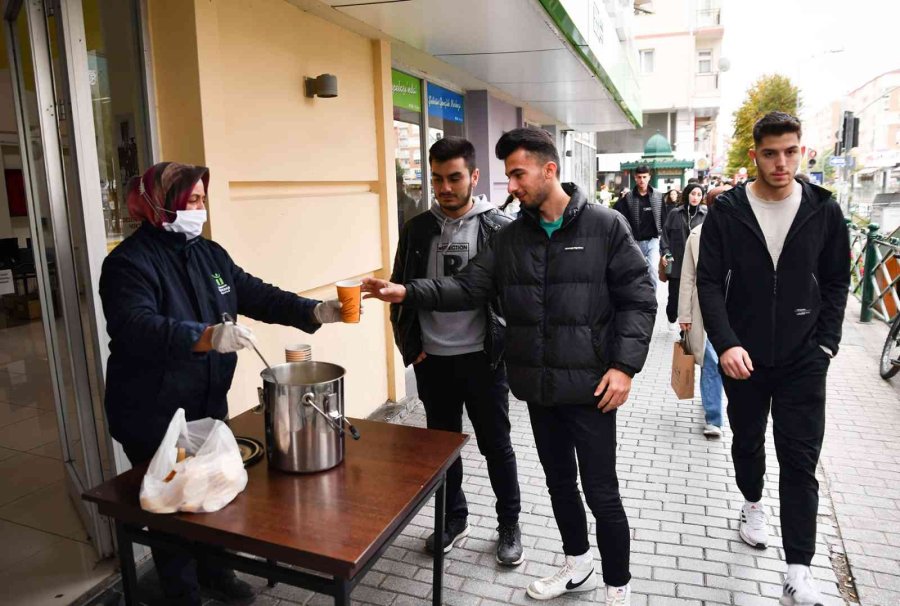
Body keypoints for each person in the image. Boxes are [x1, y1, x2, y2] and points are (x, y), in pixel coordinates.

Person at [363, 127, 656, 606]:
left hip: (592, 389)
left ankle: (618, 587)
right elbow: (467, 286)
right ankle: (577, 564)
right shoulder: (512, 236)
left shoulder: (605, 226)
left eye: (518, 174)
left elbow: (640, 300)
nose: (512, 186)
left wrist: (624, 367)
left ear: (549, 169)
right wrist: (406, 292)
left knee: (602, 492)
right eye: (508, 175)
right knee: (559, 482)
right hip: (538, 389)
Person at [99, 162, 348, 606]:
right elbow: (137, 325)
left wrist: (313, 312)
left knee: (211, 491)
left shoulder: (209, 254)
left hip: (205, 402)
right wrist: (208, 336)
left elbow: (255, 293)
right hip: (152, 409)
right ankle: (182, 593)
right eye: (191, 201)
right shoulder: (127, 263)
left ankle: (218, 573)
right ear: (160, 204)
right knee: (170, 505)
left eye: (202, 199)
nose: (201, 208)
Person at [697, 112, 850, 606]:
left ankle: (799, 568)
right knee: (748, 442)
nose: (781, 162)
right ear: (754, 156)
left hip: (805, 357)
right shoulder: (729, 210)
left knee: (800, 461)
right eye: (770, 153)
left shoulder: (824, 209)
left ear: (801, 151)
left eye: (790, 151)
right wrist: (726, 343)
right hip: (745, 356)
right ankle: (751, 504)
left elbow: (836, 281)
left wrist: (826, 344)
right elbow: (708, 283)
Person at [389, 137, 523, 564]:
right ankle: (453, 519)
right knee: (442, 448)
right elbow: (400, 291)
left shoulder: (498, 228)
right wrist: (413, 349)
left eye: (454, 178)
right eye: (437, 179)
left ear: (474, 177)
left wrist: (507, 349)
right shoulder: (416, 229)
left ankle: (509, 523)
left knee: (495, 445)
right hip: (434, 360)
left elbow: (514, 298)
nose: (444, 187)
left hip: (483, 358)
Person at [677, 185, 730, 438]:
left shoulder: (747, 234)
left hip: (739, 312)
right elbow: (687, 277)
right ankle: (714, 417)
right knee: (711, 362)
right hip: (705, 311)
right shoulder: (697, 235)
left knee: (727, 363)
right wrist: (684, 315)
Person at [660, 184, 706, 324]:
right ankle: (671, 316)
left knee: (691, 299)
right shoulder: (675, 213)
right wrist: (666, 253)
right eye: (693, 193)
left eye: (699, 194)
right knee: (674, 298)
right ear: (687, 194)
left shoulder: (705, 214)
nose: (695, 197)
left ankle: (684, 329)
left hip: (695, 263)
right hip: (676, 262)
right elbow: (665, 236)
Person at [613, 165, 663, 284]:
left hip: (653, 241)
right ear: (635, 178)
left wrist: (665, 246)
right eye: (639, 177)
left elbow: (664, 219)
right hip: (635, 241)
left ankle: (653, 300)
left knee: (653, 271)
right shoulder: (629, 197)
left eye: (644, 177)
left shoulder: (657, 196)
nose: (642, 180)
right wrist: (621, 199)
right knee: (635, 272)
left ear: (649, 177)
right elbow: (617, 213)